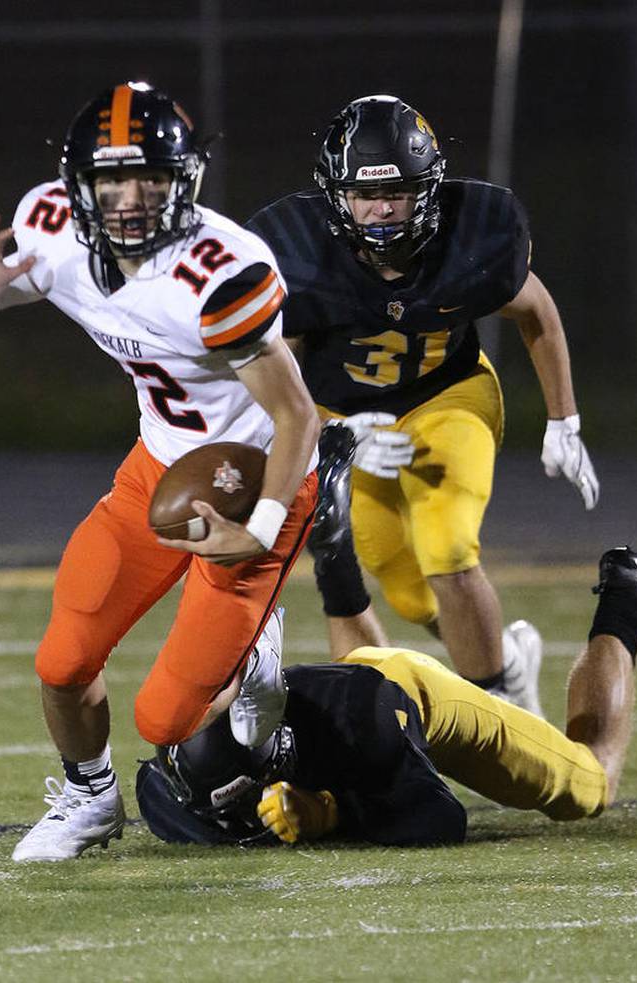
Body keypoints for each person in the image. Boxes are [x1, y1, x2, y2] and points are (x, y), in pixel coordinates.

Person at [0, 81, 320, 862]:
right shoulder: (49, 225)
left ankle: (257, 645)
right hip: (158, 463)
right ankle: (88, 798)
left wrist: (260, 527)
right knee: (63, 658)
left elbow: (298, 417)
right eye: (112, 180)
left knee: (166, 718)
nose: (130, 198)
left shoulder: (221, 273)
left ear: (184, 181)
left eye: (149, 177)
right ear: (79, 186)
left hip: (252, 477)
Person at [246, 94, 600, 714]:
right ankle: (506, 662)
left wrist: (563, 418)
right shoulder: (296, 256)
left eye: (400, 193)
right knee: (406, 587)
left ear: (430, 189)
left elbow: (536, 311)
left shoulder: (473, 233)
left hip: (449, 393)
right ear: (335, 195)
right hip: (346, 417)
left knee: (448, 547)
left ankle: (500, 708)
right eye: (364, 194)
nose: (382, 209)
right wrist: (337, 432)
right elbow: (274, 375)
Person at [137, 546, 637, 847]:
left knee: (589, 785)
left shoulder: (364, 722)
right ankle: (334, 545)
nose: (232, 821)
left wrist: (331, 813)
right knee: (353, 689)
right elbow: (158, 791)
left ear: (278, 761)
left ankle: (627, 593)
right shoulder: (174, 779)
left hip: (413, 699)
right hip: (341, 688)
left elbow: (440, 819)